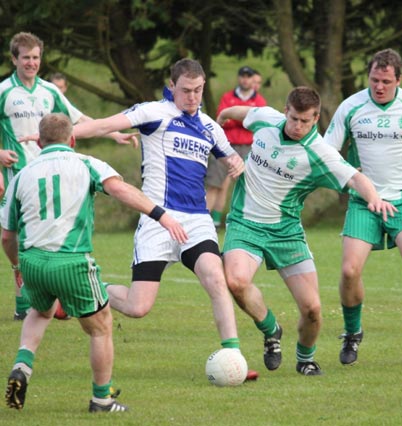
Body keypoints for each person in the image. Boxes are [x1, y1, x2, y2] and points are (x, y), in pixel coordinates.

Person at [71, 58, 255, 374]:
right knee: (137, 307)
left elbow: (232, 160)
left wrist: (237, 165)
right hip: (158, 218)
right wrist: (64, 138)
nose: (193, 97)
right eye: (186, 90)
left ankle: (234, 360)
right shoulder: (153, 112)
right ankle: (82, 289)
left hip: (197, 220)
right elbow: (104, 124)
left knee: (216, 277)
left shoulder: (210, 126)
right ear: (172, 87)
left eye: (198, 90)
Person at [2, 113, 187, 412]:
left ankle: (22, 366)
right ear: (72, 139)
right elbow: (120, 190)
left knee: (40, 311)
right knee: (100, 327)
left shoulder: (22, 175)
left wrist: (17, 266)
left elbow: (7, 236)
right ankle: (102, 399)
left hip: (32, 261)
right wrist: (161, 215)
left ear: (38, 142)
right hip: (72, 261)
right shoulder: (87, 163)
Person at [218, 87, 396, 376]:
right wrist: (225, 114)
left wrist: (374, 198)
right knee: (236, 281)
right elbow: (244, 114)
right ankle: (271, 330)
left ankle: (305, 359)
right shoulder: (267, 120)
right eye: (293, 119)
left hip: (286, 233)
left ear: (315, 119)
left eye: (305, 121)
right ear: (286, 111)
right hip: (244, 223)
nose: (297, 126)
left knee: (312, 309)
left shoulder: (320, 153)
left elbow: (355, 177)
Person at [0, 32, 136, 321]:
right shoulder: (4, 92)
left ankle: (38, 304)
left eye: (36, 57)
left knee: (46, 241)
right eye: (26, 57)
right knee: (13, 239)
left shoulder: (49, 91)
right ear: (14, 59)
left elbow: (80, 119)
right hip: (19, 178)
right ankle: (23, 281)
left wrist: (114, 134)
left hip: (53, 178)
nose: (32, 63)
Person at [323, 48, 402, 369]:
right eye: (374, 80)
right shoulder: (351, 107)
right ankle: (352, 333)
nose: (379, 86)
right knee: (349, 271)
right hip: (364, 203)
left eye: (386, 81)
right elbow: (328, 151)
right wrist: (350, 183)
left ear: (398, 80)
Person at [205, 65, 267, 227]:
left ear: (252, 78)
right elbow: (223, 120)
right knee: (215, 183)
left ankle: (248, 223)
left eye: (248, 76)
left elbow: (259, 124)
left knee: (249, 187)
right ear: (239, 78)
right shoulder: (228, 97)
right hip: (226, 146)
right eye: (242, 76)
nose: (245, 79)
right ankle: (204, 221)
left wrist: (234, 118)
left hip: (248, 147)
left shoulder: (258, 100)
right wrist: (245, 119)